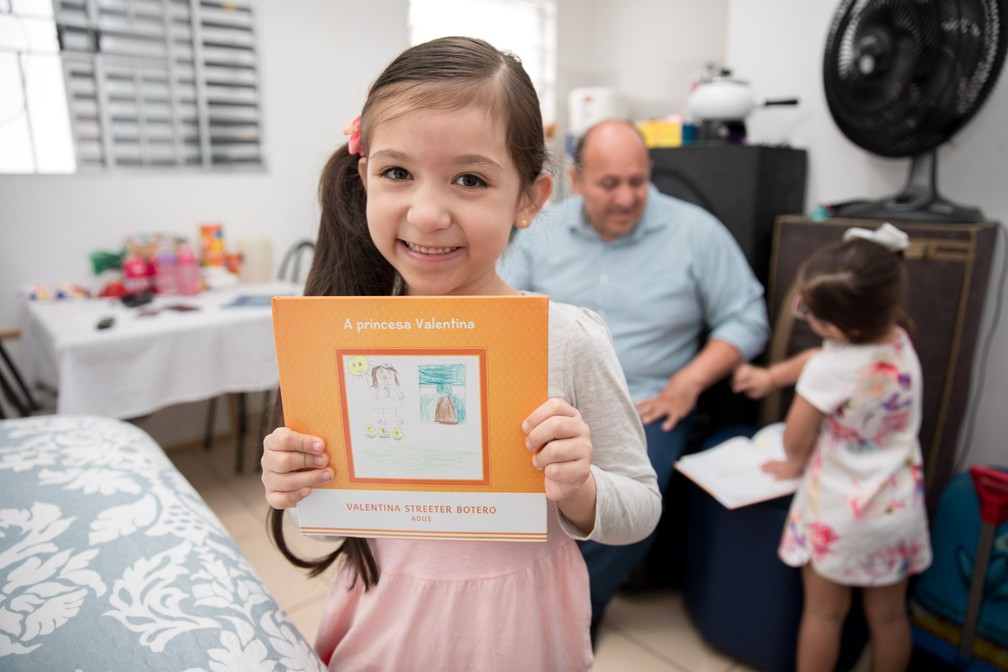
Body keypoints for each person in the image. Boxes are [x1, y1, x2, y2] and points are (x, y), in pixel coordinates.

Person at [259, 36, 661, 671]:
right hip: (384, 626)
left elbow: (640, 505)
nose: (426, 212)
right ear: (364, 177)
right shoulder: (348, 340)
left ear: (530, 199)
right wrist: (295, 484)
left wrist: (579, 489)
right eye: (397, 172)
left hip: (517, 630)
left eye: (469, 179)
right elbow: (344, 526)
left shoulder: (568, 338)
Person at [498, 117, 770, 632]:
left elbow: (747, 316)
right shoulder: (541, 231)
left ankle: (575, 611)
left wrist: (690, 380)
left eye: (638, 181)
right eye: (609, 184)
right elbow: (506, 311)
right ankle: (528, 598)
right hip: (550, 401)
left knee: (629, 503)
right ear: (576, 181)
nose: (627, 197)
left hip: (648, 401)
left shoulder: (696, 232)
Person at [731, 223, 932, 672]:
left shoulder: (830, 371)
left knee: (824, 615)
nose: (802, 312)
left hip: (843, 517)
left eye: (811, 312)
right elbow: (827, 357)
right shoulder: (897, 336)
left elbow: (794, 439)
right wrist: (771, 377)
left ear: (845, 326)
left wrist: (791, 462)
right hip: (897, 510)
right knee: (889, 617)